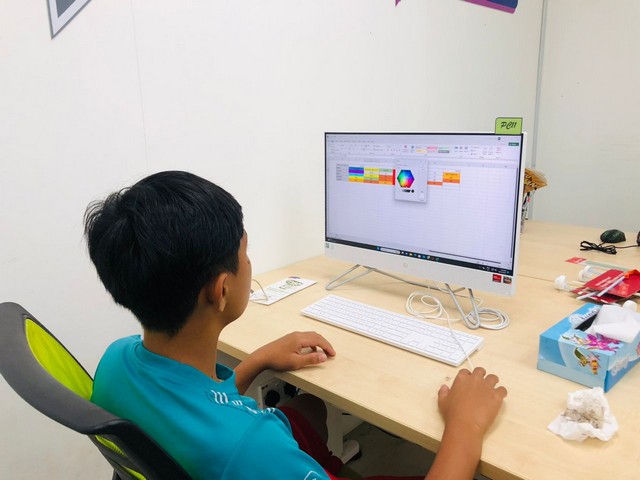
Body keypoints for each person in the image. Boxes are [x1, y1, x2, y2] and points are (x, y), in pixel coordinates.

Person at [84, 170, 507, 480]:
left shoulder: (115, 361)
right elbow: (240, 442)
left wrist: (258, 361)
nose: (250, 263)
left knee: (310, 410)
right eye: (245, 253)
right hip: (250, 462)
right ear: (222, 289)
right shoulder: (252, 447)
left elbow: (197, 408)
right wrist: (465, 426)